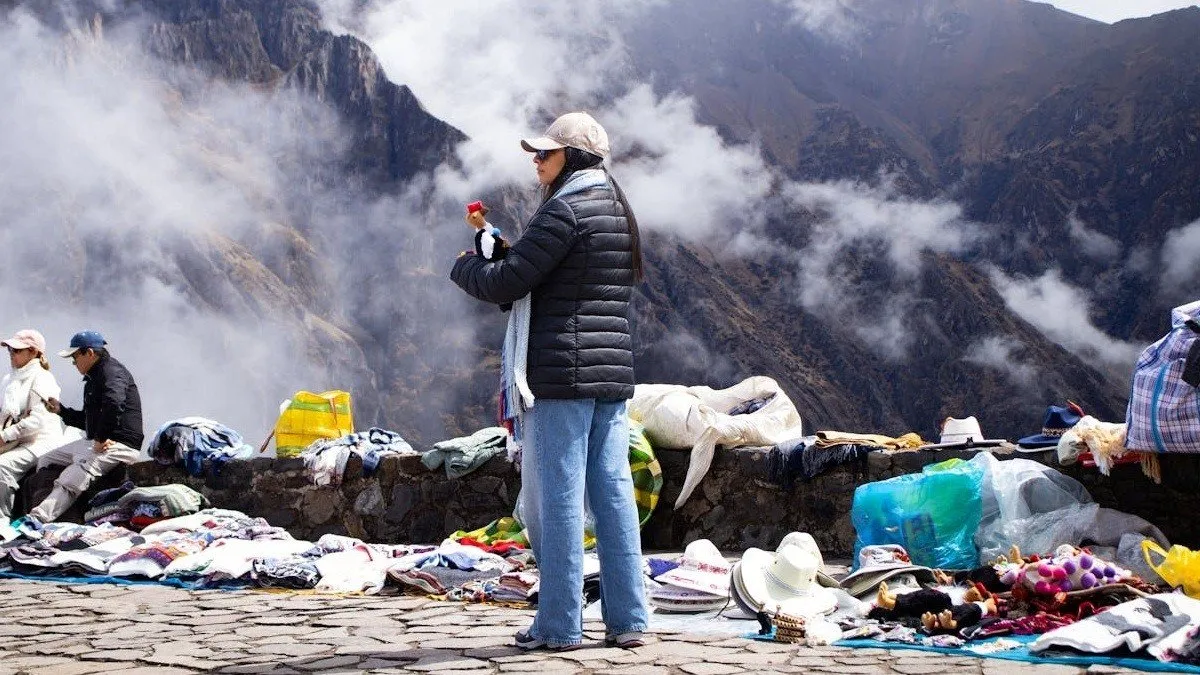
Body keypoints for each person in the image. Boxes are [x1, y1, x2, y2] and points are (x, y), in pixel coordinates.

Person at [451, 111, 648, 650]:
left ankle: (560, 625)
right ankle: (628, 619)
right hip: (610, 373)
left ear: (573, 158)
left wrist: (466, 265)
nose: (536, 161)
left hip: (561, 374)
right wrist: (507, 253)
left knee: (555, 499)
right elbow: (552, 274)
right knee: (612, 494)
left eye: (546, 153)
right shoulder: (615, 208)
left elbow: (508, 283)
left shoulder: (564, 209)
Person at [27, 330, 143, 524]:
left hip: (118, 444)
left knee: (72, 477)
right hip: (96, 441)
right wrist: (61, 411)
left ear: (89, 353)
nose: (74, 363)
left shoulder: (112, 372)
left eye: (75, 357)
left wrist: (101, 438)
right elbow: (89, 420)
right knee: (46, 461)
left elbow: (114, 403)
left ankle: (37, 521)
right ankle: (62, 516)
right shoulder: (93, 377)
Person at [0, 330, 72, 540]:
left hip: (40, 442)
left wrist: (5, 436)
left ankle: (2, 523)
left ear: (33, 352)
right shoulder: (9, 380)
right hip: (16, 441)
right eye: (10, 350)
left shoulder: (43, 378)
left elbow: (37, 420)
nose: (12, 354)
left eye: (17, 350)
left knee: (2, 466)